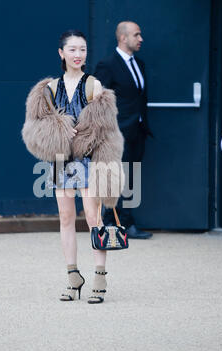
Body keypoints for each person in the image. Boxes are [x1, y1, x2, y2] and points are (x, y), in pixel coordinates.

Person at [21, 30, 125, 303]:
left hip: (89, 159)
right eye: (73, 49)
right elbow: (35, 127)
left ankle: (100, 277)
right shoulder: (50, 89)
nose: (78, 55)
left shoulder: (94, 85)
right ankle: (73, 277)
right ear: (61, 53)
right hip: (61, 161)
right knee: (66, 219)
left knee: (93, 218)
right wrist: (57, 132)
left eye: (82, 49)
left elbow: (106, 132)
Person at [94, 21, 154, 239]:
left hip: (137, 130)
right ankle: (120, 224)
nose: (141, 39)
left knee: (130, 178)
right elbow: (97, 100)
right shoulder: (107, 65)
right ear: (123, 38)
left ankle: (117, 222)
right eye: (137, 35)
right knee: (118, 178)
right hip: (117, 133)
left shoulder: (139, 64)